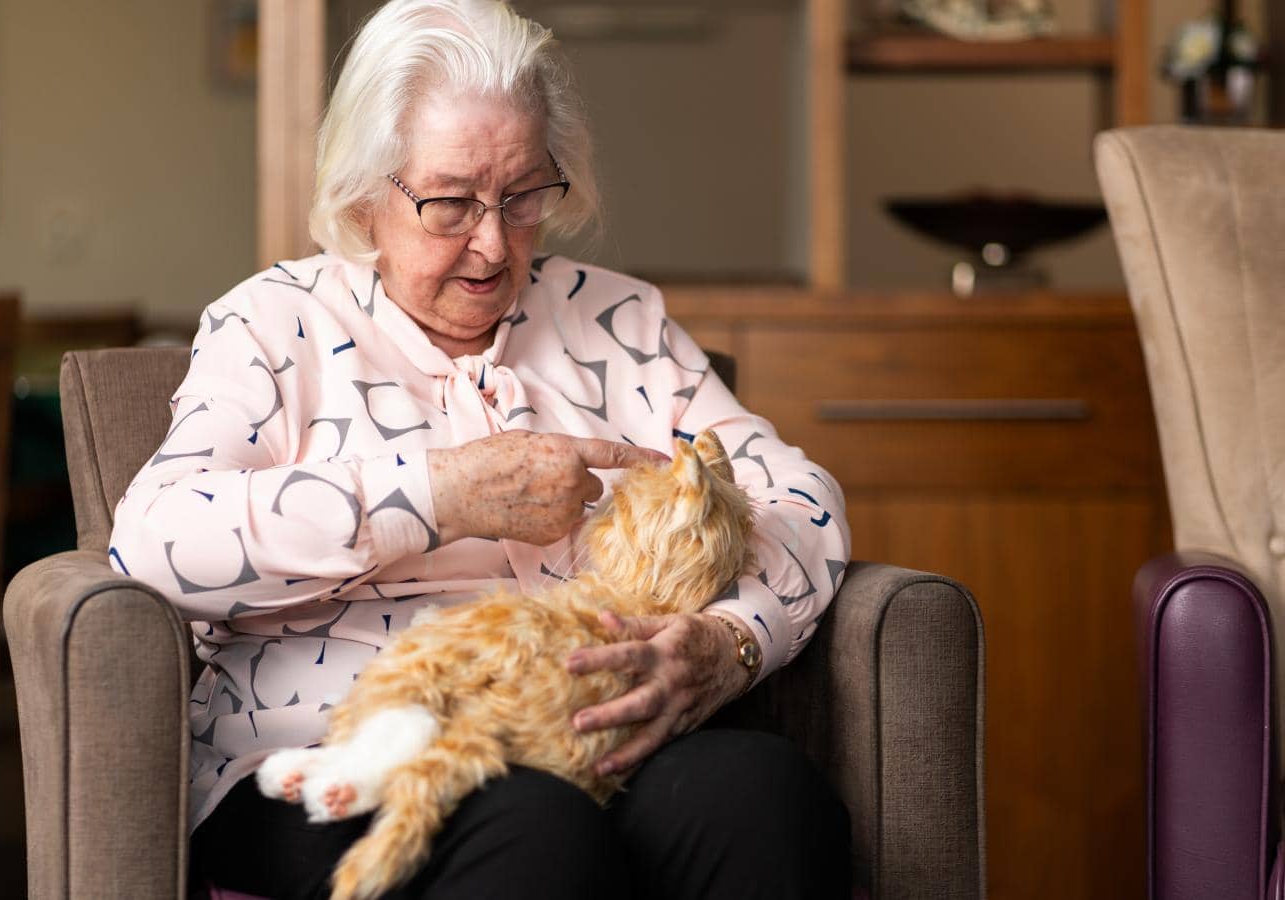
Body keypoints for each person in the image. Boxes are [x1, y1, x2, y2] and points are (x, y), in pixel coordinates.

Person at [108, 1, 851, 897]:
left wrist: (729, 642)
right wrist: (435, 494)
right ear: (363, 193)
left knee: (764, 792)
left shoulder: (618, 323)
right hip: (341, 752)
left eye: (524, 195)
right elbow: (152, 540)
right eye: (451, 203)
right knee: (531, 828)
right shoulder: (273, 326)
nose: (494, 245)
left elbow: (800, 499)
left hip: (592, 738)